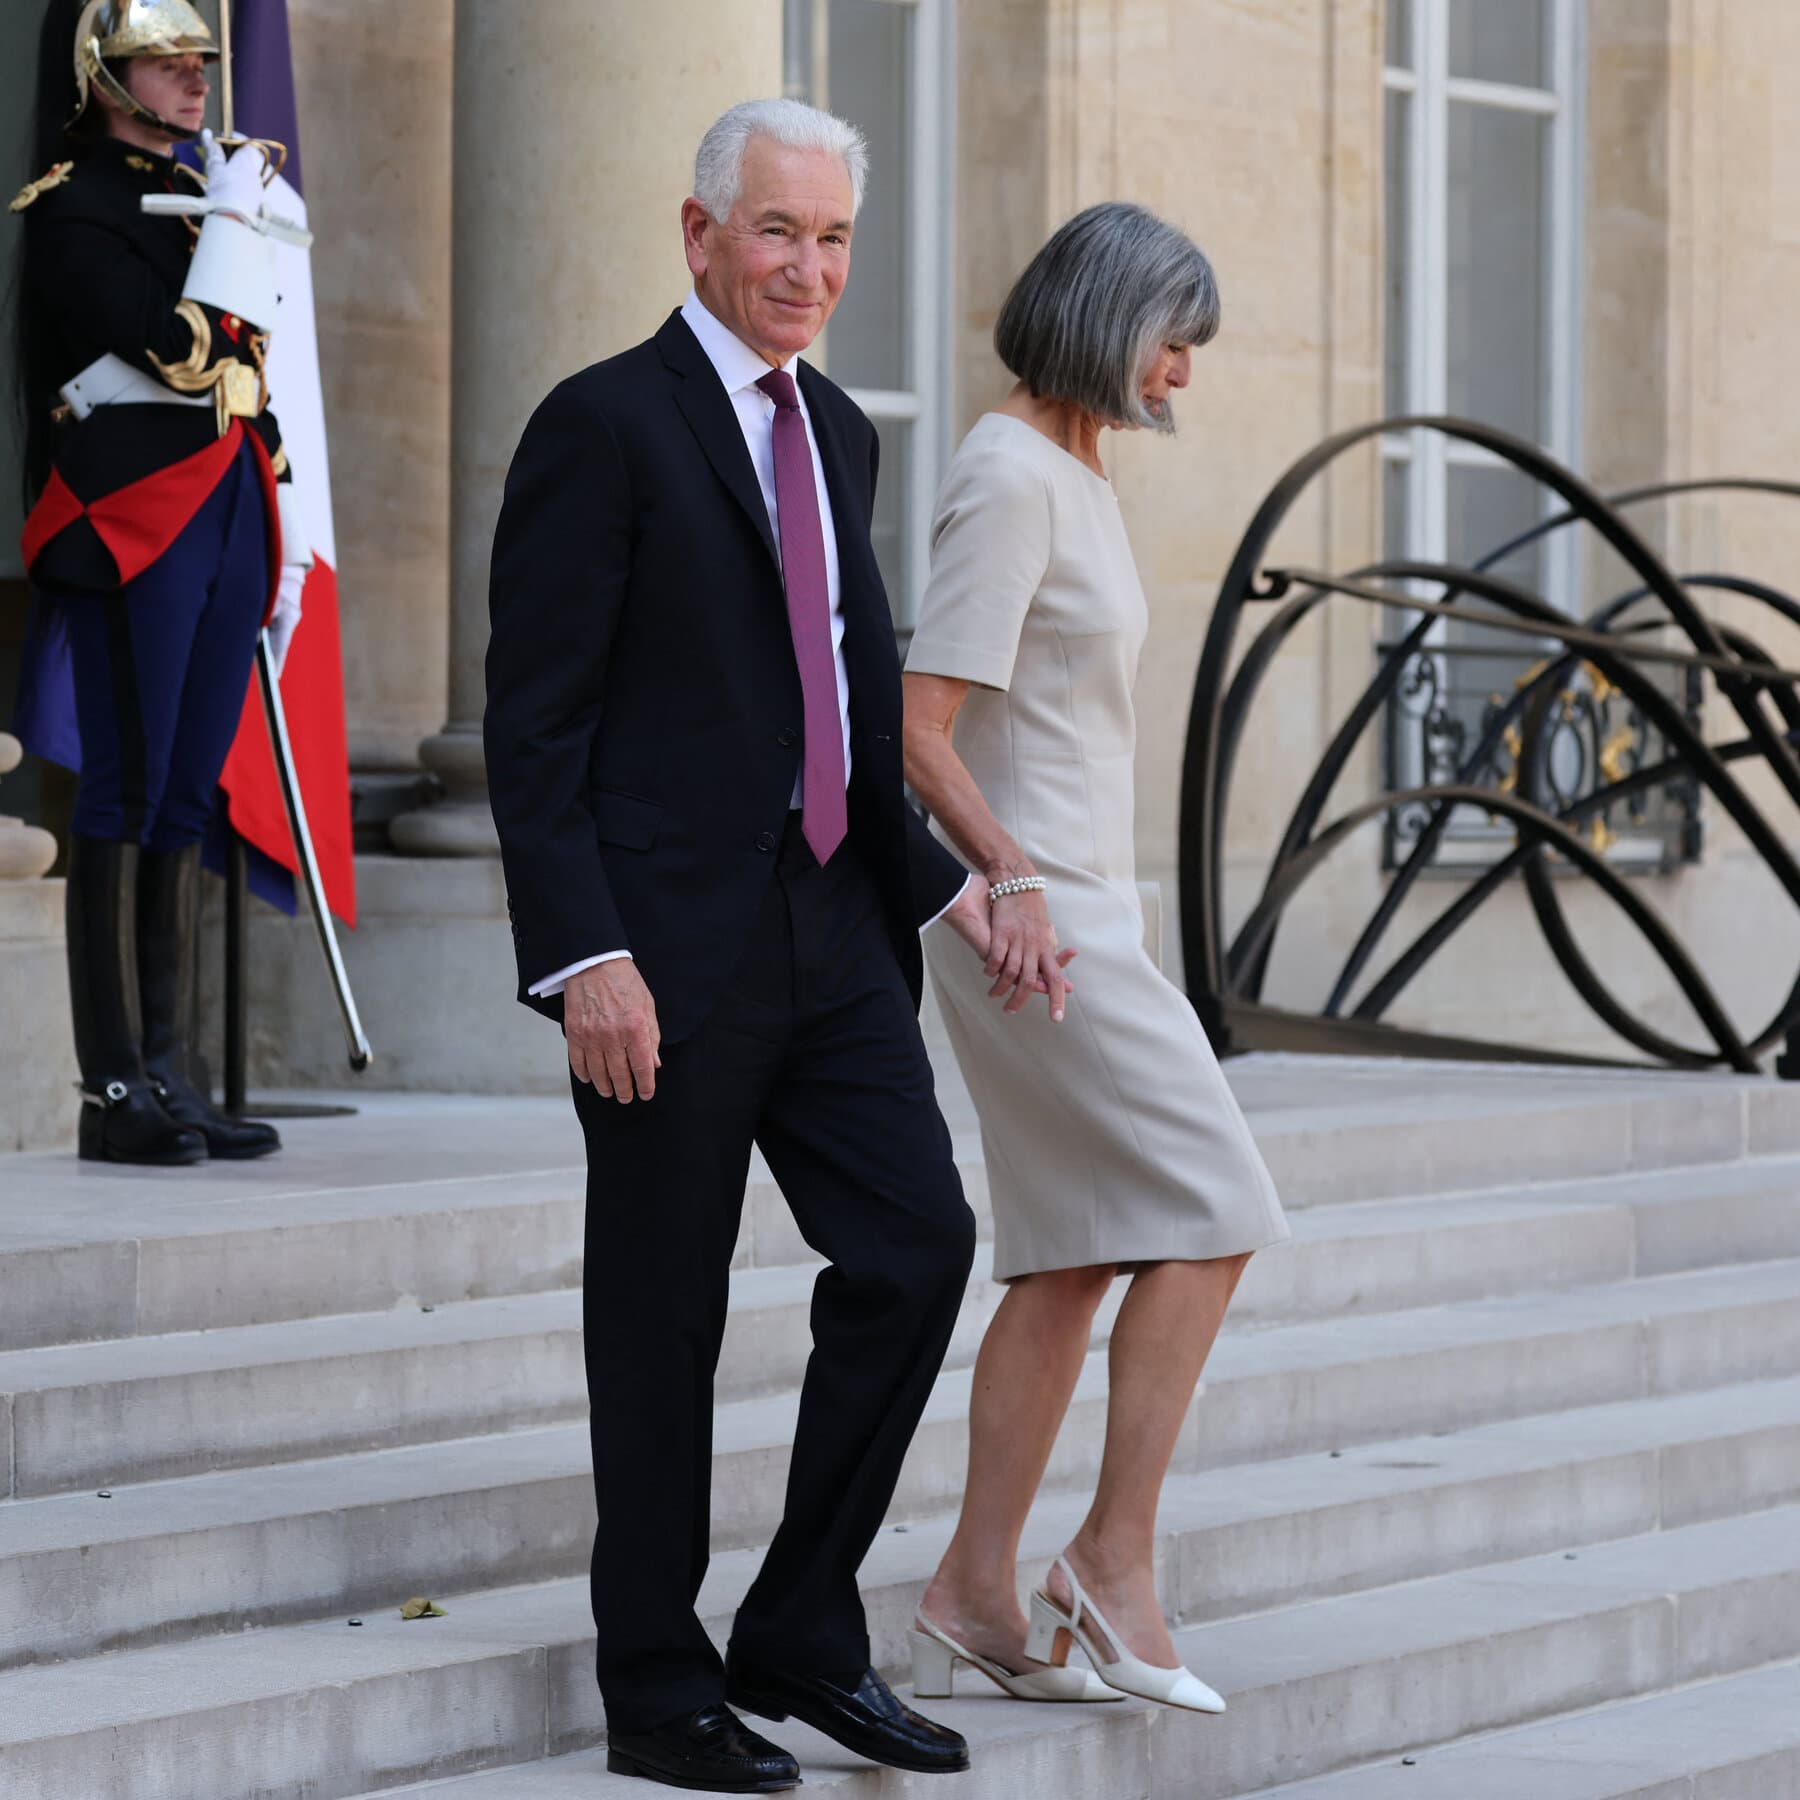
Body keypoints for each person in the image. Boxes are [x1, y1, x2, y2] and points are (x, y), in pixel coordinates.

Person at [484, 98, 1042, 1794]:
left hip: (830, 940)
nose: (812, 269)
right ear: (700, 234)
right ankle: (658, 1682)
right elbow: (536, 727)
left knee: (918, 1246)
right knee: (657, 1318)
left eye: (837, 239)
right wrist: (585, 953)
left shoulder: (843, 438)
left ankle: (801, 1631)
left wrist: (951, 891)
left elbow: (847, 712)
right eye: (781, 232)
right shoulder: (605, 426)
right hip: (659, 962)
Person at [900, 202, 1292, 1715]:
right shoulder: (1008, 479)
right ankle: (1111, 1565)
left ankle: (974, 1589)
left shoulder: (1074, 468)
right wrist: (1010, 878)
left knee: (1071, 1258)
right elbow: (917, 730)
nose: (1183, 371)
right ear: (1100, 317)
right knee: (1216, 1208)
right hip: (1031, 926)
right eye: (1172, 337)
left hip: (1080, 915)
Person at [10, 0, 314, 1163]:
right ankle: (113, 1090)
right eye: (165, 61)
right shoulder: (75, 207)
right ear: (103, 73)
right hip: (130, 517)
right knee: (122, 793)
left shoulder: (205, 203)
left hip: (228, 503)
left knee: (188, 792)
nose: (194, 80)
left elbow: (248, 369)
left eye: (199, 61)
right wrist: (235, 229)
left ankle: (173, 1072)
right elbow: (182, 347)